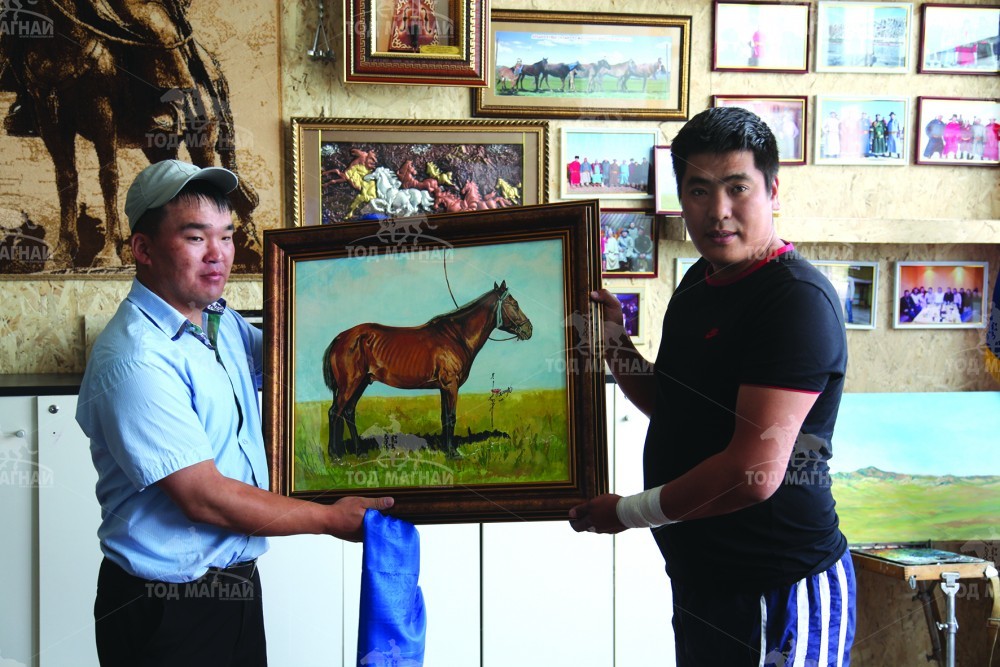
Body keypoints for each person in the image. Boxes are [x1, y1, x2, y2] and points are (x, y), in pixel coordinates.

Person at [76, 160, 394, 666]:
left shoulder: (218, 322)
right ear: (143, 249)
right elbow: (204, 497)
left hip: (236, 588)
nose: (218, 254)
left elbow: (293, 361)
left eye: (225, 236)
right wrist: (329, 519)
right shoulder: (134, 358)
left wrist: (349, 269)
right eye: (195, 237)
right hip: (165, 608)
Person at [569, 107, 855, 666]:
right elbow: (672, 405)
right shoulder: (700, 281)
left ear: (772, 190)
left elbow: (753, 475)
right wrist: (614, 344)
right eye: (699, 191)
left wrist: (626, 513)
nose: (718, 211)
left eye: (737, 188)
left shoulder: (794, 301)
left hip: (779, 588)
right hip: (704, 583)